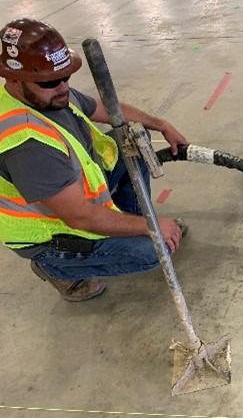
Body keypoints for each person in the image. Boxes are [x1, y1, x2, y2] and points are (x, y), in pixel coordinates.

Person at [0, 18, 188, 300]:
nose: (63, 87)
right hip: (53, 236)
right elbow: (79, 217)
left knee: (134, 140)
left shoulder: (48, 93)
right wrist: (152, 227)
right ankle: (56, 269)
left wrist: (159, 123)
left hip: (74, 193)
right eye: (51, 81)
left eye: (66, 76)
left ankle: (132, 221)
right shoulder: (27, 143)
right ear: (13, 78)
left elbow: (103, 108)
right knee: (154, 252)